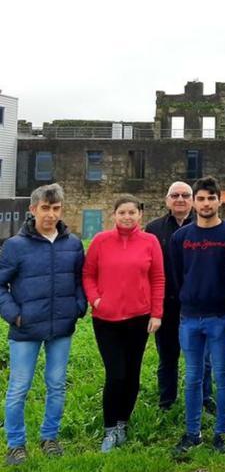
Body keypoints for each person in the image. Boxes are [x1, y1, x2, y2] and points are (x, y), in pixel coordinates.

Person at [0, 184, 86, 466]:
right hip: (25, 329)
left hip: (61, 327)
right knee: (18, 388)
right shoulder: (14, 246)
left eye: (56, 208)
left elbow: (78, 280)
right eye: (45, 208)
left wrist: (78, 307)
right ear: (33, 209)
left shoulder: (72, 243)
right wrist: (15, 315)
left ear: (62, 209)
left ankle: (50, 437)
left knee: (57, 385)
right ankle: (15, 444)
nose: (51, 214)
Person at [83, 194, 164, 452]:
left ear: (140, 214)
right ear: (114, 215)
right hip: (106, 320)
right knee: (115, 374)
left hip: (139, 318)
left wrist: (156, 313)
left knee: (132, 375)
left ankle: (122, 424)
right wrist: (96, 300)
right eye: (122, 212)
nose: (127, 217)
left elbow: (158, 278)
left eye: (132, 212)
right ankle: (109, 429)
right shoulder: (100, 241)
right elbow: (88, 274)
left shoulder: (150, 242)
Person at [168, 177, 225, 455]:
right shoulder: (180, 238)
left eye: (211, 198)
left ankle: (221, 432)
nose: (206, 204)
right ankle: (192, 432)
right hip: (189, 318)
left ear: (219, 200)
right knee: (193, 377)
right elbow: (174, 276)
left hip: (221, 316)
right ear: (194, 202)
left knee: (222, 375)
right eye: (201, 198)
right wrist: (186, 300)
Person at [145, 181, 214, 412]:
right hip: (167, 303)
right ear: (167, 201)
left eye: (186, 195)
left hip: (200, 304)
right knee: (168, 355)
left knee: (204, 357)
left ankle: (206, 398)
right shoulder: (154, 230)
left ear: (193, 200)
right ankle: (167, 400)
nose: (180, 199)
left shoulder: (207, 226)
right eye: (175, 195)